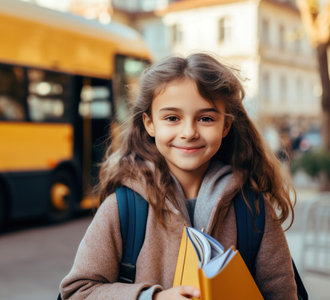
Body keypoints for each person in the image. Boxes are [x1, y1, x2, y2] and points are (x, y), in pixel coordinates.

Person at [59, 53, 297, 299]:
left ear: (225, 126)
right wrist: (151, 297)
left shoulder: (253, 209)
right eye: (172, 118)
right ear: (150, 124)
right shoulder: (123, 208)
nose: (189, 132)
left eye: (206, 118)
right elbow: (78, 291)